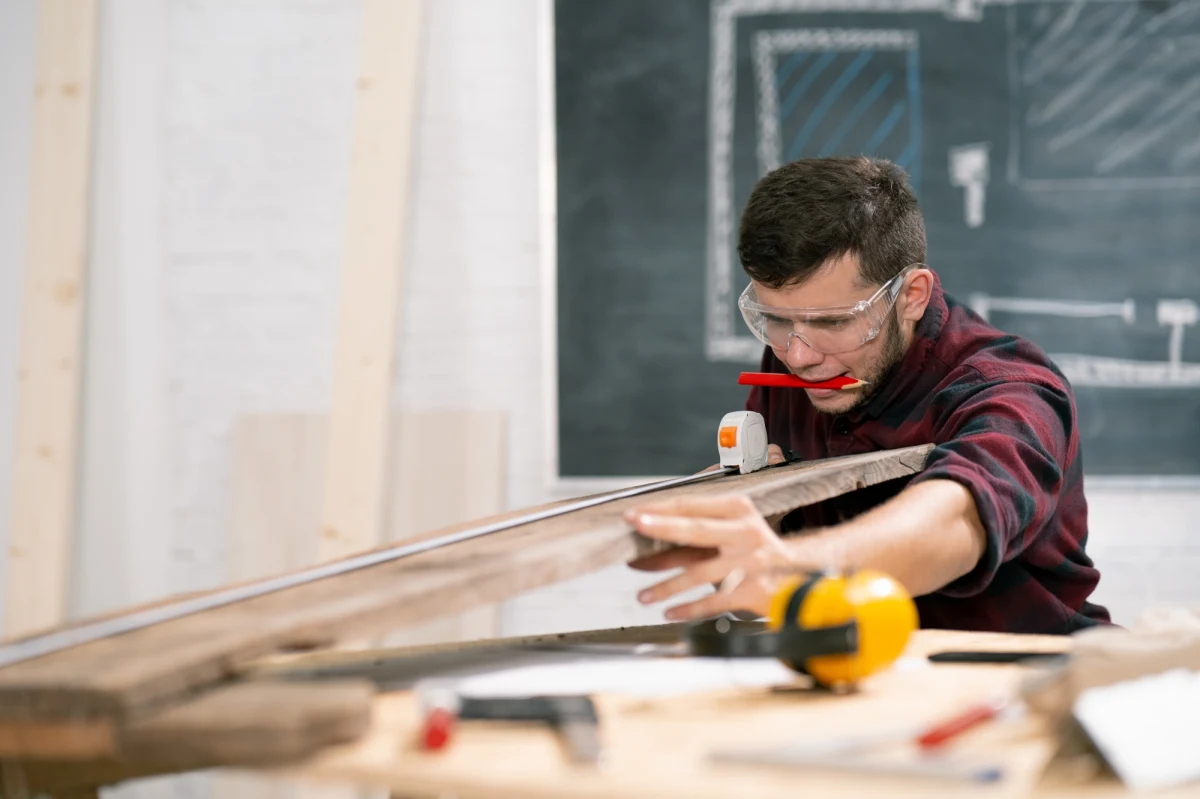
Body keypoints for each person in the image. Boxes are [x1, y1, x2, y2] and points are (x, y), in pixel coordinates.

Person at [624, 156, 1109, 635]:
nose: (799, 356)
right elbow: (761, 595)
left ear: (912, 295)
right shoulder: (798, 357)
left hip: (1025, 673)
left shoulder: (1011, 387)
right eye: (775, 319)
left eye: (833, 321)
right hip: (858, 675)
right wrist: (746, 538)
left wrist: (795, 562)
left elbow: (958, 520)